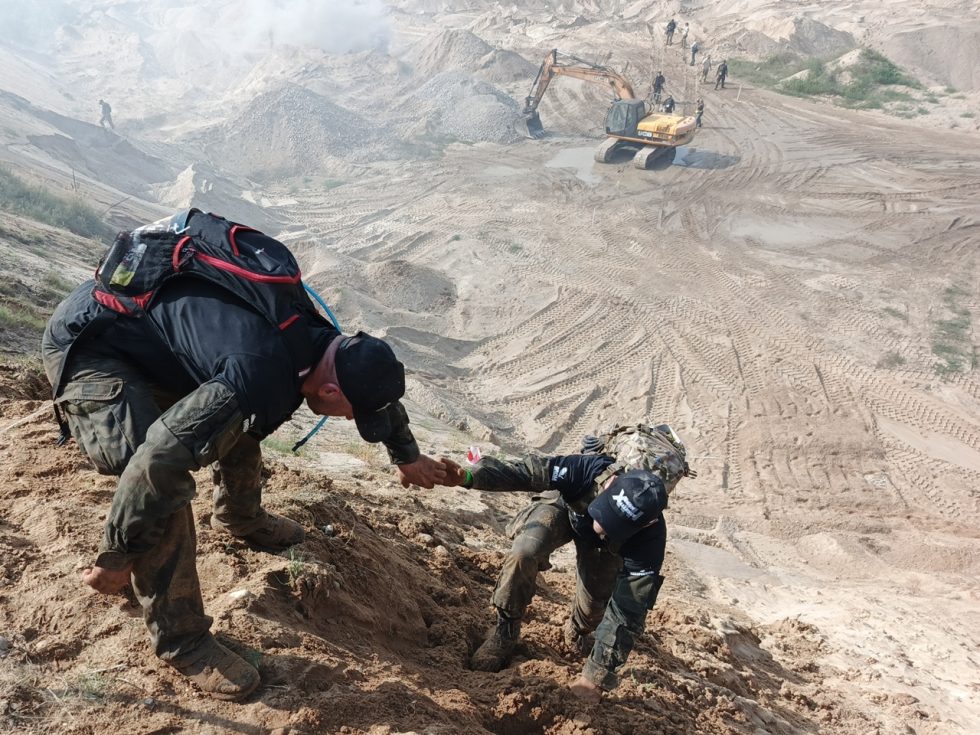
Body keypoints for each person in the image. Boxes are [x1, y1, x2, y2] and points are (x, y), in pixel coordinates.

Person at [41, 209, 447, 701]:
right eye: (349, 414)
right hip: (94, 346)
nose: (345, 420)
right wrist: (118, 555)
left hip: (159, 340)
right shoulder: (258, 369)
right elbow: (157, 463)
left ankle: (239, 515)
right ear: (335, 387)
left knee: (240, 412)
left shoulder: (317, 337)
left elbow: (372, 383)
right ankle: (183, 642)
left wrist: (406, 455)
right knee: (161, 477)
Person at [440, 425, 693, 703]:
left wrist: (593, 678)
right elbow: (526, 472)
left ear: (647, 524)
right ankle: (505, 629)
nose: (600, 527)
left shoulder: (650, 542)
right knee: (524, 552)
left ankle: (577, 631)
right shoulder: (586, 469)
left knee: (594, 610)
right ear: (610, 484)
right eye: (604, 513)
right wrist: (467, 476)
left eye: (611, 525)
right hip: (568, 508)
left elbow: (628, 611)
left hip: (608, 550)